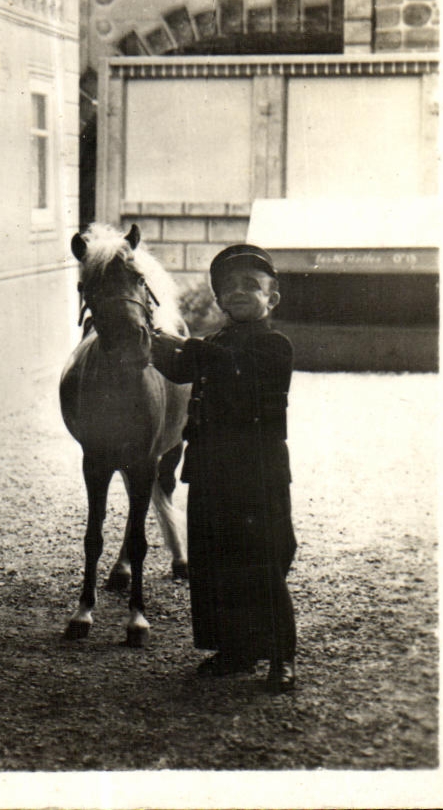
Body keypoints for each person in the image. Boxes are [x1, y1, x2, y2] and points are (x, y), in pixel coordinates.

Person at [151, 244, 299, 694]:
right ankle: (235, 649)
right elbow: (177, 369)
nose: (237, 292)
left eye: (251, 286)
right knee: (217, 562)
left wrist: (190, 348)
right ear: (217, 300)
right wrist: (149, 336)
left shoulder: (274, 346)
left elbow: (239, 374)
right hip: (212, 469)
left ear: (272, 300)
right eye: (228, 287)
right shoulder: (214, 344)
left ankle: (281, 656)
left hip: (257, 472)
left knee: (264, 559)